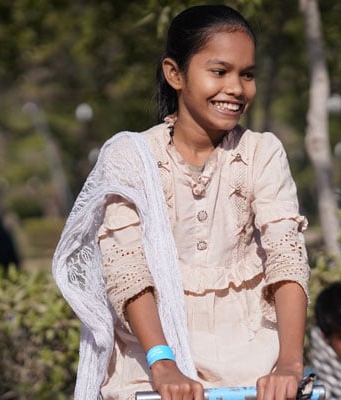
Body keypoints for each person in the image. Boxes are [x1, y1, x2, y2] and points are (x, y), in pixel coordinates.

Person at [52, 5, 310, 400]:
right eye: (219, 72)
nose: (237, 89)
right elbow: (128, 268)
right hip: (150, 363)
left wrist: (290, 363)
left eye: (248, 74)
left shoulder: (263, 152)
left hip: (250, 366)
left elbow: (286, 257)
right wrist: (163, 364)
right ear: (175, 74)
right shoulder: (131, 157)